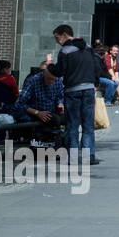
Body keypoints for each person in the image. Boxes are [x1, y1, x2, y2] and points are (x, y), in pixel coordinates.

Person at [48, 25, 102, 165]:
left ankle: (72, 157)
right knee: (88, 124)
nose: (57, 41)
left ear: (64, 34)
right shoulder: (88, 47)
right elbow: (97, 66)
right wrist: (95, 83)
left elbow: (59, 71)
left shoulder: (65, 51)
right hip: (89, 89)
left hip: (72, 90)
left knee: (72, 124)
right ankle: (89, 156)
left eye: (57, 37)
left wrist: (49, 64)